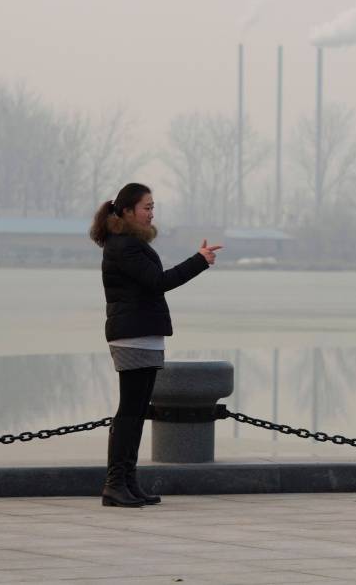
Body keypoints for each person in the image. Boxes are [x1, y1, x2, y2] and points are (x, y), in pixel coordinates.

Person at [89, 182, 222, 507]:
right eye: (146, 207)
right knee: (129, 411)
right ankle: (115, 482)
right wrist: (199, 261)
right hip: (132, 335)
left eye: (152, 207)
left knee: (136, 412)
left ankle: (128, 482)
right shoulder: (123, 246)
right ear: (126, 211)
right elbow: (158, 282)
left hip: (143, 334)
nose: (151, 213)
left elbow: (152, 284)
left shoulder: (130, 243)